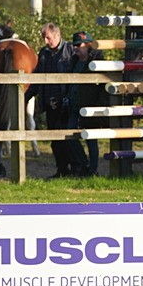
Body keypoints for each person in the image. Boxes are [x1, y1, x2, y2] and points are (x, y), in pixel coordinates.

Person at [35, 23, 88, 178]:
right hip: (49, 102)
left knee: (69, 137)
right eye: (44, 38)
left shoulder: (70, 51)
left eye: (48, 37)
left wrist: (63, 98)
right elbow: (37, 76)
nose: (46, 41)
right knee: (55, 140)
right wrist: (25, 97)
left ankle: (79, 167)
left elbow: (73, 76)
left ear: (57, 35)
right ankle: (62, 170)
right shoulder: (43, 53)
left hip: (65, 102)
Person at [68, 31, 105, 176]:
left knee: (91, 139)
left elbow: (103, 86)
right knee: (69, 134)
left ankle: (93, 169)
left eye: (79, 45)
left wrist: (99, 104)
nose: (76, 48)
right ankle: (84, 163)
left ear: (88, 45)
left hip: (91, 104)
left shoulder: (98, 61)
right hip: (74, 104)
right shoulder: (74, 61)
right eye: (74, 45)